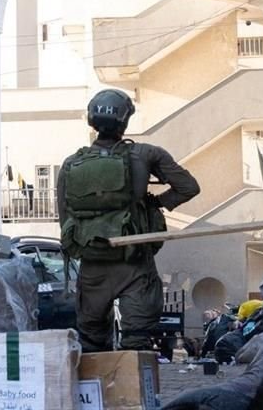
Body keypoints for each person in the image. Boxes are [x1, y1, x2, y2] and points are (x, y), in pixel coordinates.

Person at [57, 88, 200, 352]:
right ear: (125, 120)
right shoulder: (146, 155)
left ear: (92, 119)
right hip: (135, 263)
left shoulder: (70, 164)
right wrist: (155, 203)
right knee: (137, 342)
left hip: (92, 265)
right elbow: (188, 187)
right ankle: (133, 391)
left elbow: (65, 219)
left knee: (91, 342)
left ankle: (96, 392)